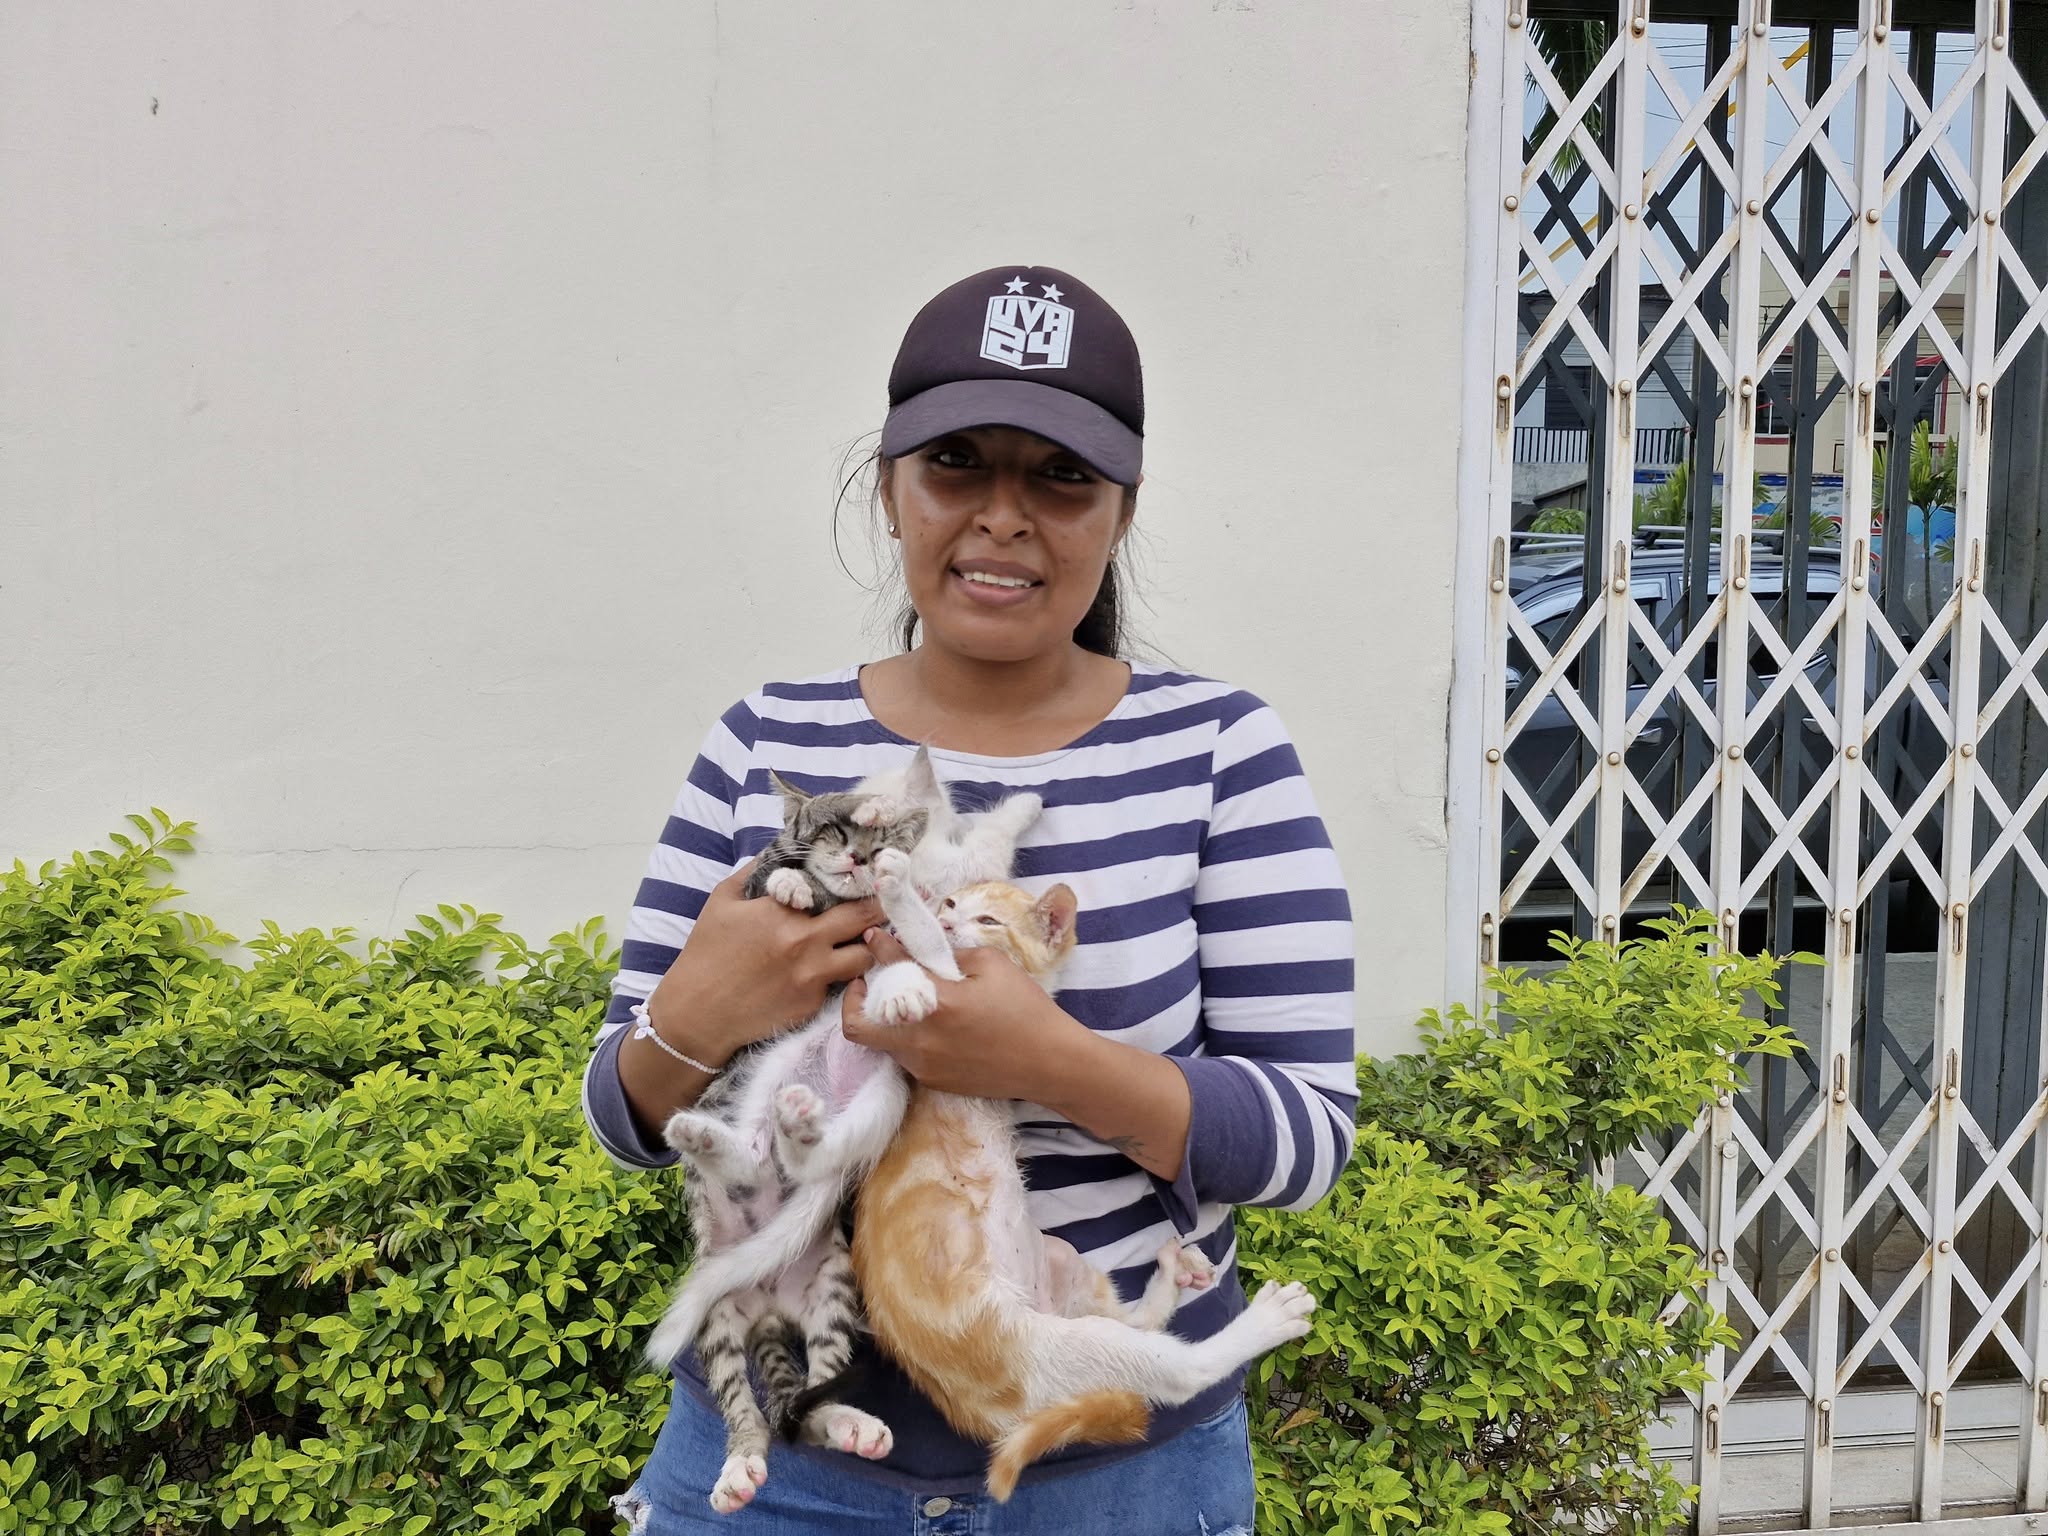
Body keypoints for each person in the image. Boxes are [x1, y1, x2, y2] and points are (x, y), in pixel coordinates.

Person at [583, 265, 1357, 1535]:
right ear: (890, 488)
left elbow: (1309, 1138)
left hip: (1116, 1474)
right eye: (955, 463)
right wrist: (697, 1012)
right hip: (778, 1474)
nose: (1003, 517)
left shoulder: (1221, 750)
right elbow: (623, 1117)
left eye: (1060, 476)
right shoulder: (764, 741)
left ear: (1121, 509)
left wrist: (1045, 1060)